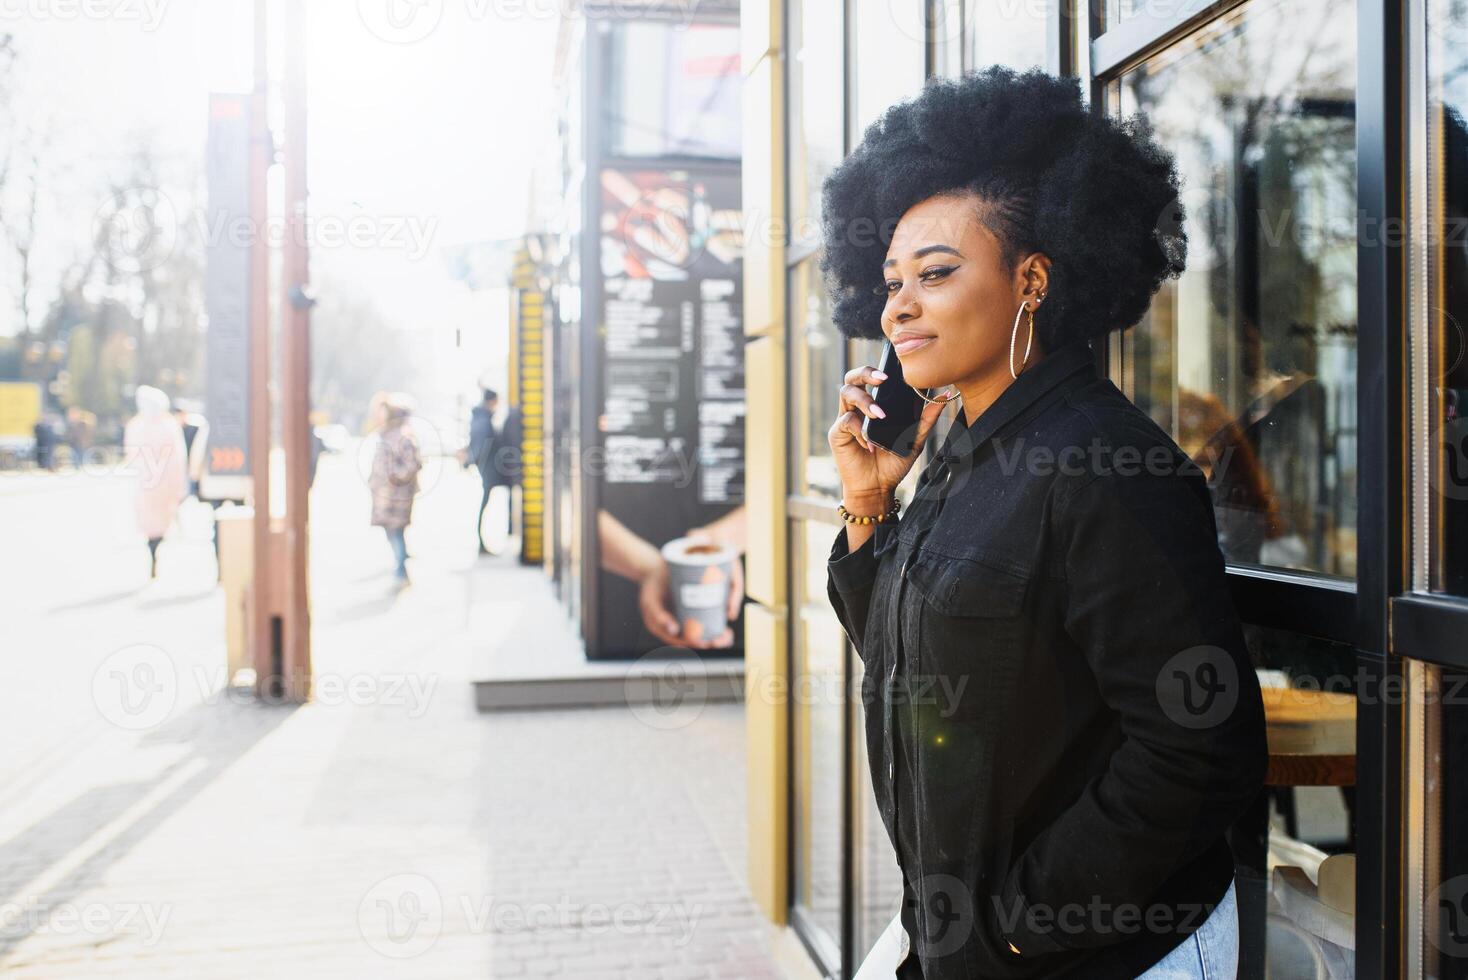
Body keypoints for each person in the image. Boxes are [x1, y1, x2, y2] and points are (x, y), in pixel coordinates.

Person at [822, 68, 1266, 979]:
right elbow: (910, 663)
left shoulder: (1106, 466)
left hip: (1092, 954)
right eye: (890, 281)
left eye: (935, 275)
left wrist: (1025, 919)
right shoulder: (956, 453)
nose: (897, 306)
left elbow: (1200, 746)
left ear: (1032, 278)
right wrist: (870, 498)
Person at [123, 385, 189, 579]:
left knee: (149, 520)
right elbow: (179, 455)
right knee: (163, 517)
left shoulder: (136, 425)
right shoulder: (168, 424)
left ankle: (152, 550)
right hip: (166, 478)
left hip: (145, 480)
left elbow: (130, 453)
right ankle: (156, 548)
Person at [368, 394, 422, 582]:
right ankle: (401, 561)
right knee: (391, 530)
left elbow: (411, 465)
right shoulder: (387, 435)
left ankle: (401, 570)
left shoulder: (404, 437)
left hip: (396, 495)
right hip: (385, 494)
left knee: (396, 530)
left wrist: (393, 476)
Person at [461, 389, 501, 554]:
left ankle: (481, 543)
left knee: (484, 504)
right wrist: (470, 461)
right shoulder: (483, 420)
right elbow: (481, 445)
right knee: (483, 505)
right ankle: (481, 544)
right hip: (488, 469)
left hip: (487, 468)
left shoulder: (480, 417)